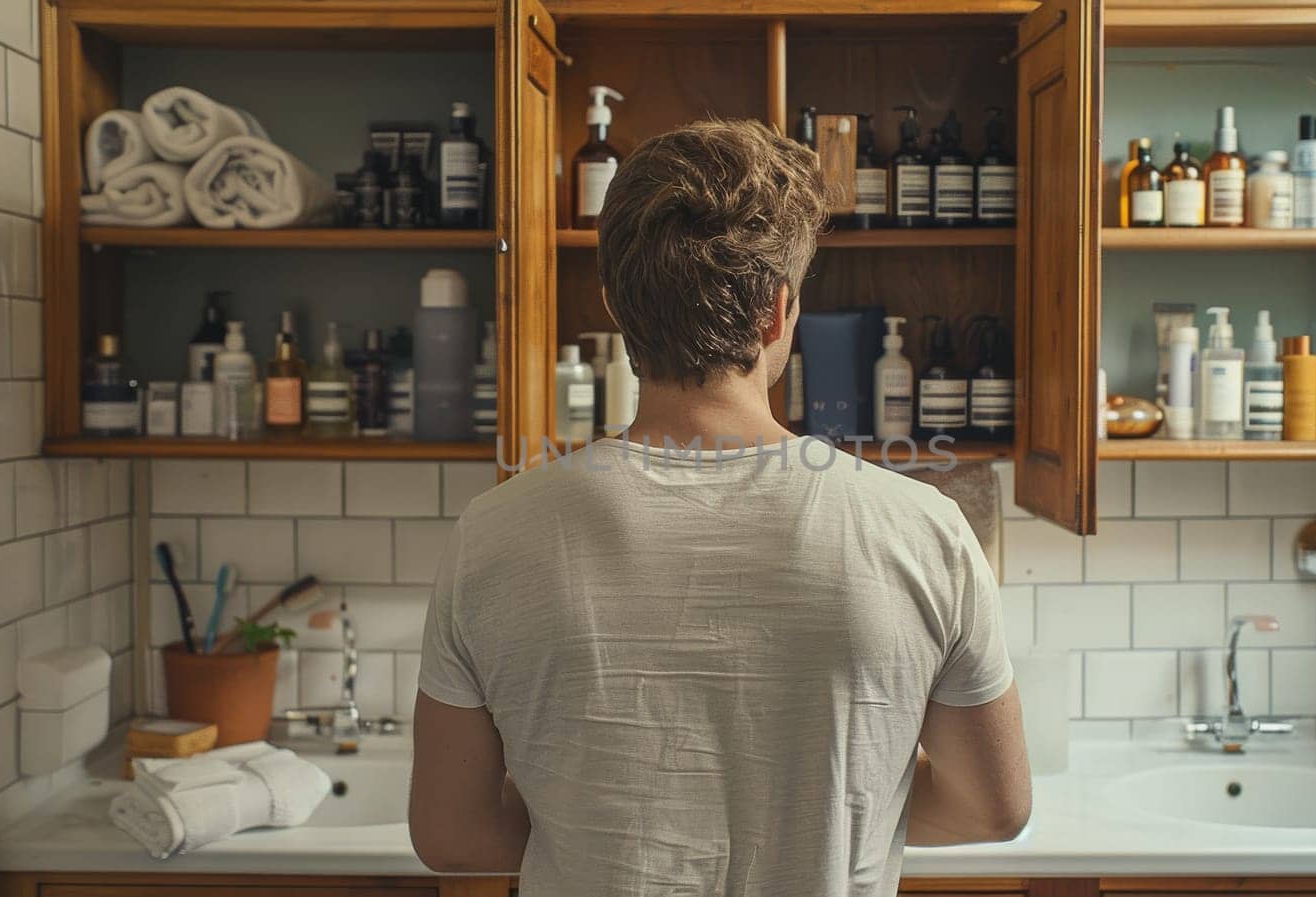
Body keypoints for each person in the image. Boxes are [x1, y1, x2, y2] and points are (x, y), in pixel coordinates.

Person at [410, 119, 1030, 897]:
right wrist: (845, 817)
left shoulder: (494, 534)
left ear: (618, 307)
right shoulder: (924, 530)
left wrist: (587, 822)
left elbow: (450, 834)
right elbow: (995, 807)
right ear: (778, 313)